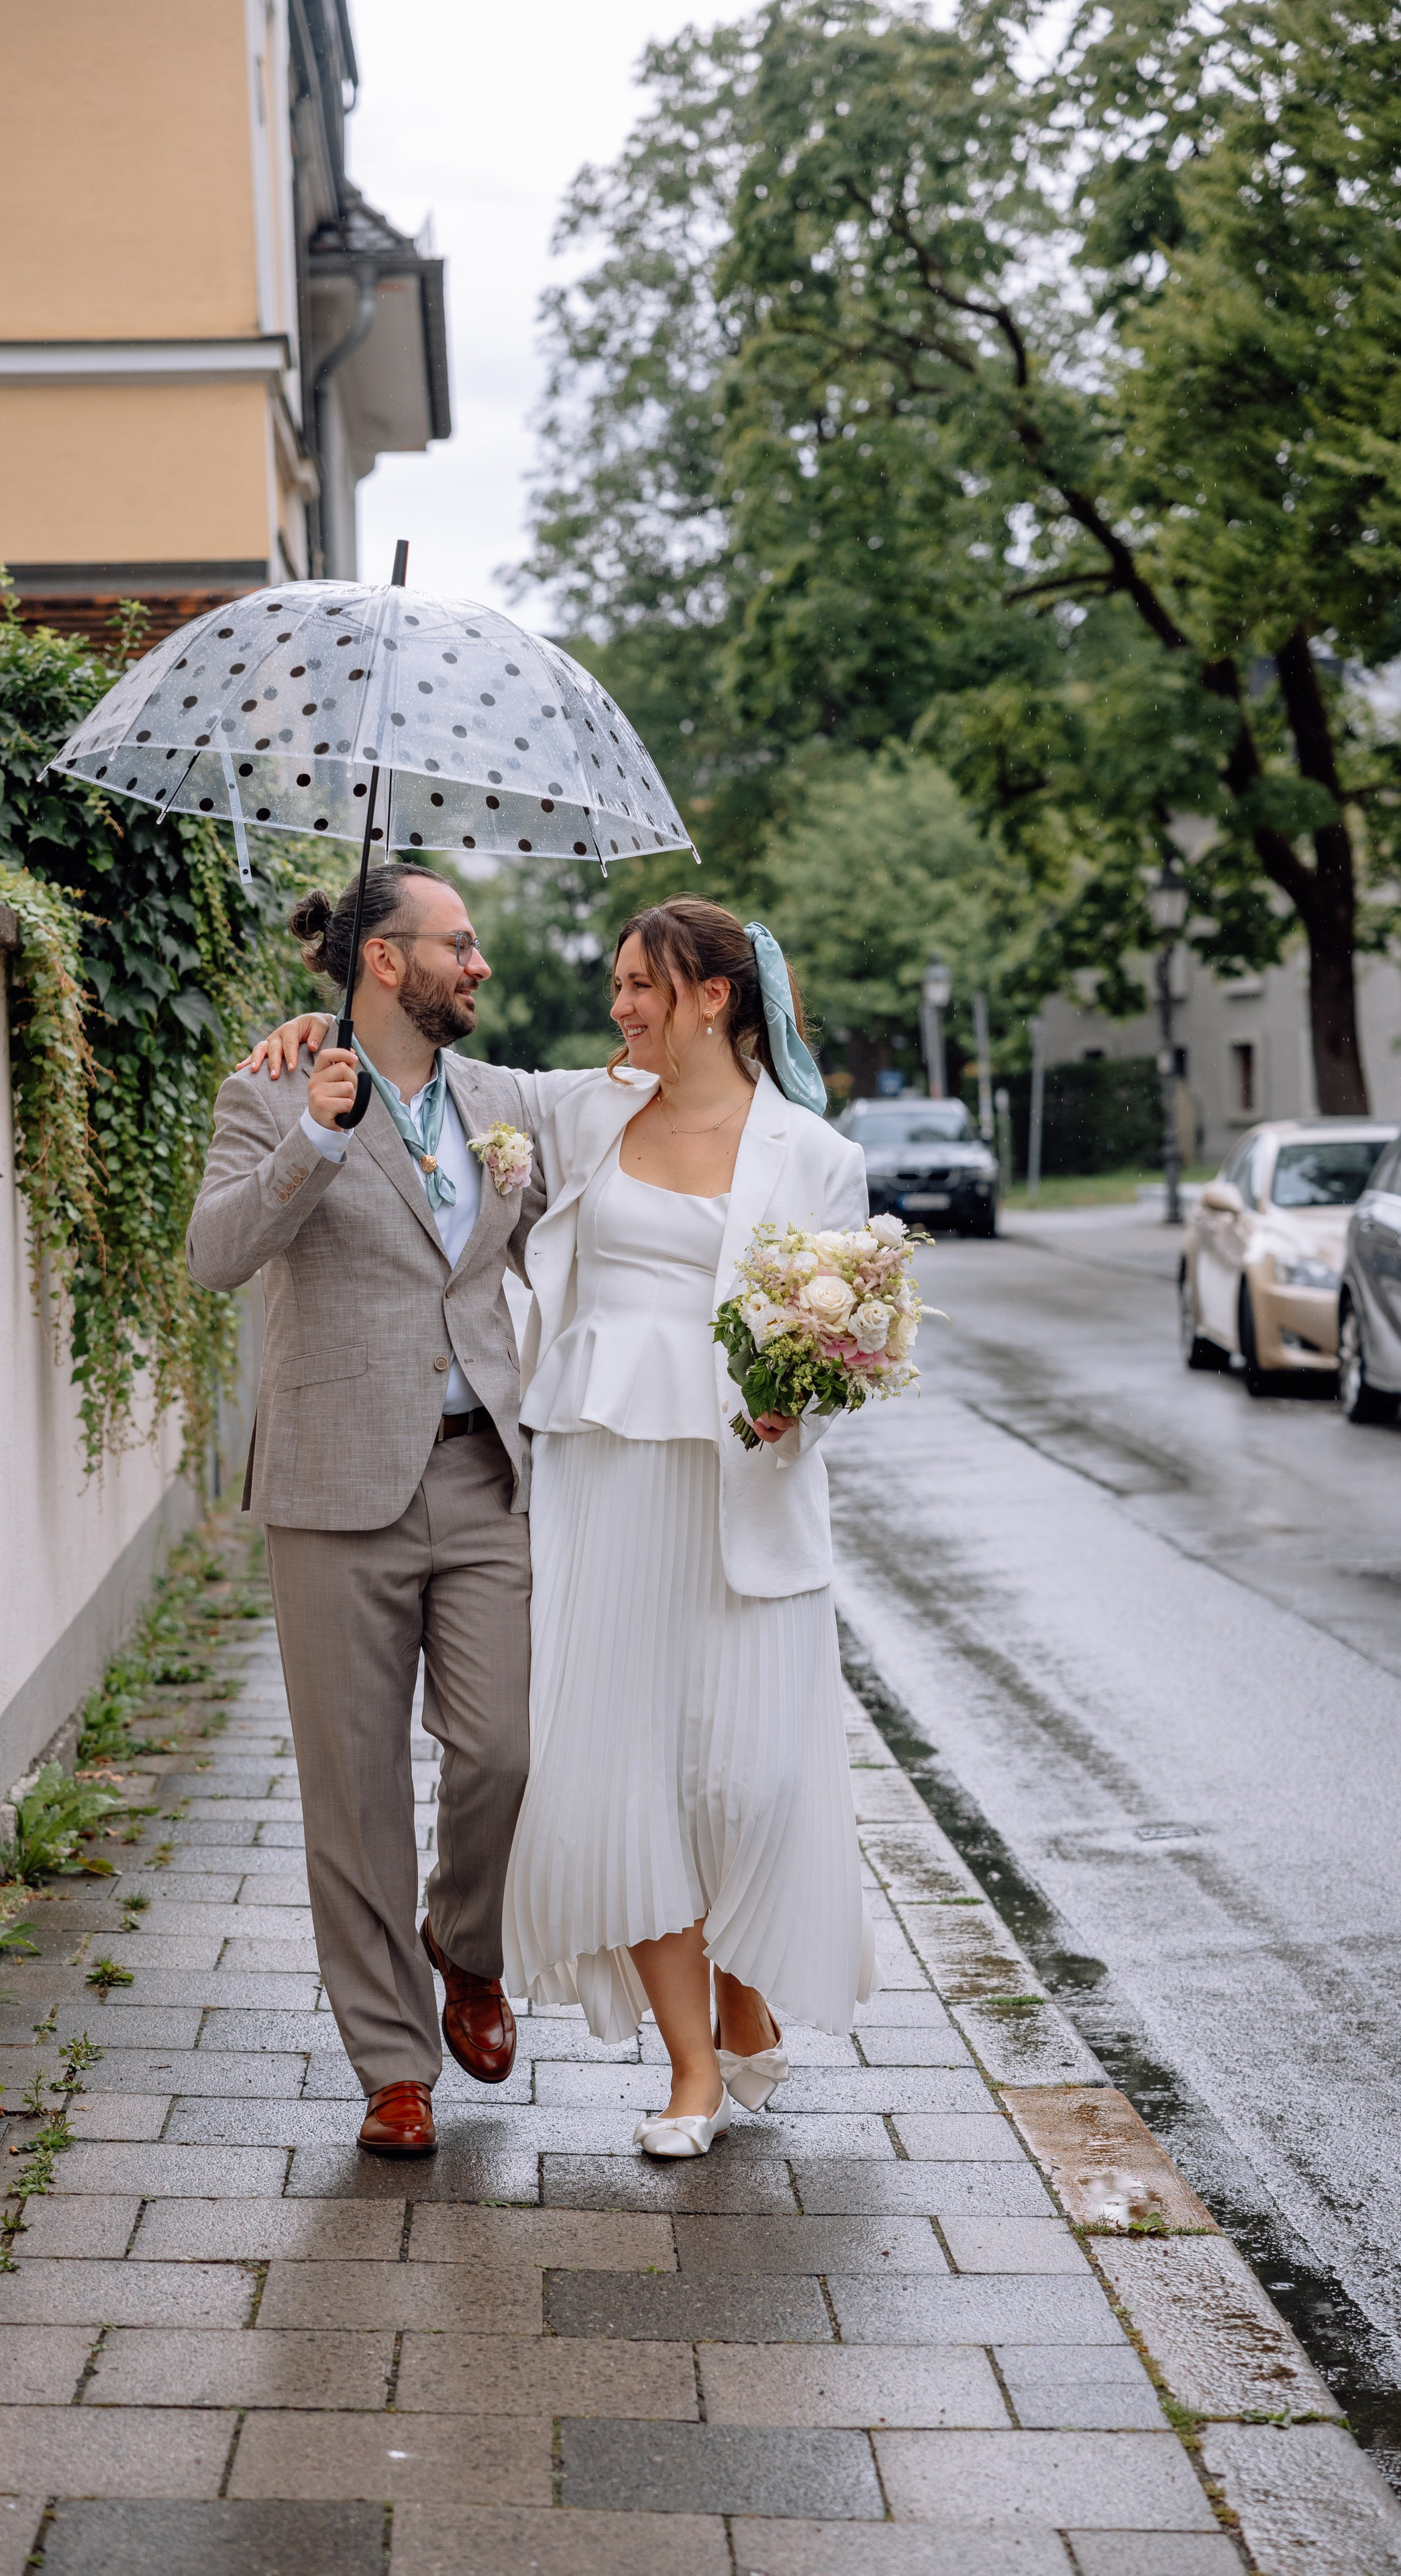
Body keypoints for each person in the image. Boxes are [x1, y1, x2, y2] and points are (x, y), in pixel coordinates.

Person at [256, 897, 873, 2160]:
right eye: (619, 983)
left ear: (714, 996)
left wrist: (801, 1403)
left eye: (641, 984)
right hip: (590, 1474)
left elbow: (853, 1331)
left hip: (721, 1485)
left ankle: (723, 1981)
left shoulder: (802, 1151)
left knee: (719, 1777)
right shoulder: (584, 1111)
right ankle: (665, 2071)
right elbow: (408, 1072)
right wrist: (318, 1040)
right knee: (611, 1775)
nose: (619, 1005)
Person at [187, 863, 545, 2157]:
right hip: (335, 1482)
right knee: (355, 1790)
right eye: (460, 943)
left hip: (483, 1471)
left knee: (502, 1749)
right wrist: (316, 1138)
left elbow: (594, 1205)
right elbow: (214, 1255)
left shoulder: (507, 1104)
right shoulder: (273, 1089)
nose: (479, 964)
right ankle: (394, 2065)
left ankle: (466, 1938)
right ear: (385, 961)